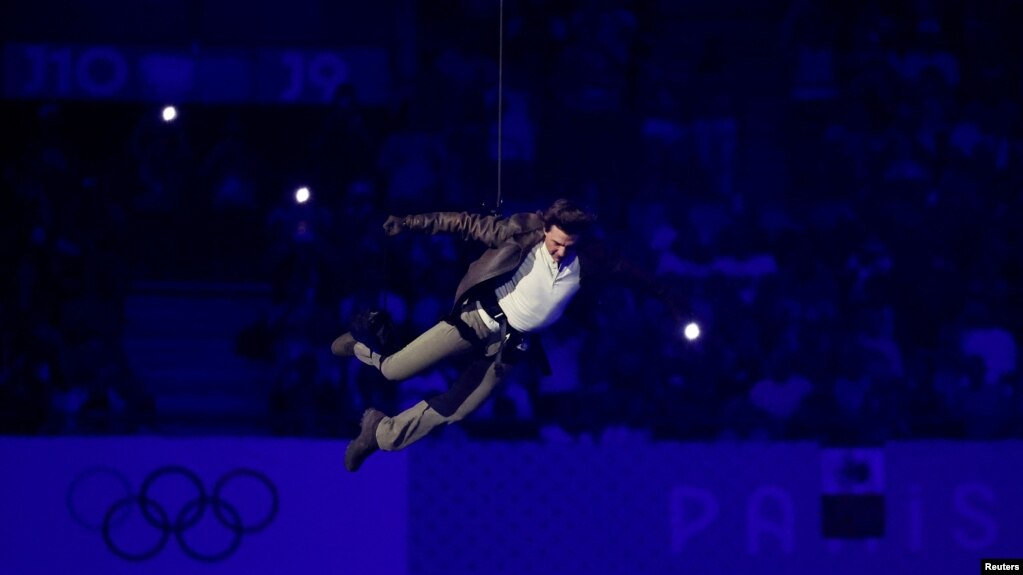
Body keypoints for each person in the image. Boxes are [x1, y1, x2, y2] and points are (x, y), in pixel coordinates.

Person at [332, 198, 680, 471]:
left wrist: (670, 298)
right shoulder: (520, 233)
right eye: (557, 244)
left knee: (458, 409)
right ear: (546, 229)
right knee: (393, 370)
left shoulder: (588, 257)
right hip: (478, 320)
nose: (561, 252)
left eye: (569, 246)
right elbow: (462, 223)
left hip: (510, 347)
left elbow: (632, 273)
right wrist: (410, 223)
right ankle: (361, 344)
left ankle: (381, 433)